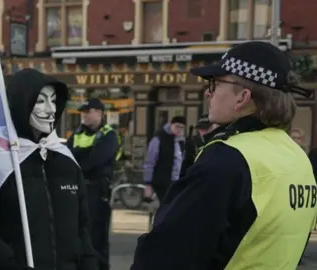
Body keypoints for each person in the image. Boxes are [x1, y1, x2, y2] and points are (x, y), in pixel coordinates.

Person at [131, 41, 317, 270]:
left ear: (243, 97)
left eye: (215, 84)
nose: (208, 93)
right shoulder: (297, 158)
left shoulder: (228, 158)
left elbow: (166, 255)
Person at [0, 68, 97, 270]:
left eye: (53, 100)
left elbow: (82, 229)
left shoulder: (66, 162)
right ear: (20, 103)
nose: (50, 110)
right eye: (40, 101)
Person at [67, 98, 119, 270]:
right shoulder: (77, 132)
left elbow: (98, 159)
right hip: (78, 188)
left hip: (98, 190)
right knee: (79, 231)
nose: (85, 116)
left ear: (99, 113)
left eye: (88, 112)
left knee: (98, 235)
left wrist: (79, 158)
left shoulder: (108, 134)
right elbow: (67, 154)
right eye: (84, 113)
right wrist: (85, 152)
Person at [142, 116, 185, 202]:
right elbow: (150, 162)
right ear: (171, 125)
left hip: (175, 182)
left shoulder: (180, 141)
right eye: (177, 126)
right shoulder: (158, 140)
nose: (179, 129)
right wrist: (148, 184)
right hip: (161, 183)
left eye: (181, 127)